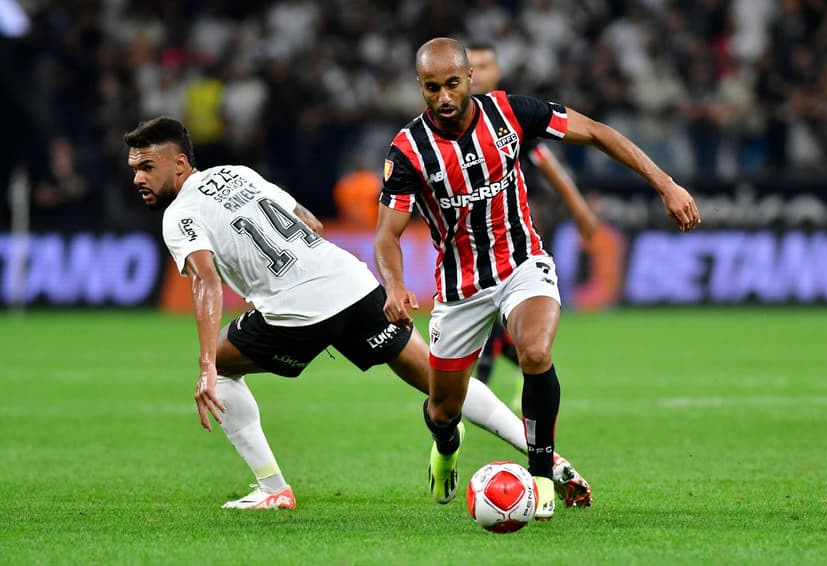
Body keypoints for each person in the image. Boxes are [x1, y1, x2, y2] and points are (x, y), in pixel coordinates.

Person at [123, 116, 592, 511]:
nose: (139, 178)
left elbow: (205, 281)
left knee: (222, 370)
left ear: (180, 164)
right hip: (351, 283)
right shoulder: (240, 173)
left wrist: (206, 363)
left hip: (296, 314)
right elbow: (310, 220)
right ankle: (549, 461)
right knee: (440, 379)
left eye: (147, 167)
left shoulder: (177, 215)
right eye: (134, 169)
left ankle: (272, 488)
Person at [375, 38, 700, 520]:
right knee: (443, 409)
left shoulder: (511, 113)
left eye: (451, 84)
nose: (443, 98)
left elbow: (595, 132)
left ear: (470, 79)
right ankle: (446, 444)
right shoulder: (408, 151)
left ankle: (542, 479)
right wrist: (395, 284)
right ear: (419, 87)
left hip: (522, 263)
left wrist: (666, 184)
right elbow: (387, 235)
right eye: (430, 88)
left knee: (535, 352)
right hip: (461, 287)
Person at [466, 42, 600, 406]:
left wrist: (581, 211)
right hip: (470, 246)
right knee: (496, 324)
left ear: (497, 73)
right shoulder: (449, 121)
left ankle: (486, 387)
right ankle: (505, 374)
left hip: (515, 237)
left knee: (503, 318)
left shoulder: (510, 117)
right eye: (471, 65)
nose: (477, 72)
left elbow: (547, 163)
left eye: (485, 64)